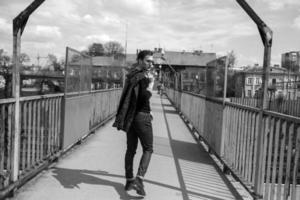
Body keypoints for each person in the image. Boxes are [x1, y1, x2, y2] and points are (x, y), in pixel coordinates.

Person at [113, 50, 154, 196]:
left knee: (131, 149)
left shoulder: (132, 74)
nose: (151, 63)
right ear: (140, 60)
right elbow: (143, 97)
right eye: (148, 60)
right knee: (148, 149)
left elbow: (134, 98)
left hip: (131, 116)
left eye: (152, 61)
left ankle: (129, 180)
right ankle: (139, 179)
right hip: (142, 118)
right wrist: (151, 86)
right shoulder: (144, 77)